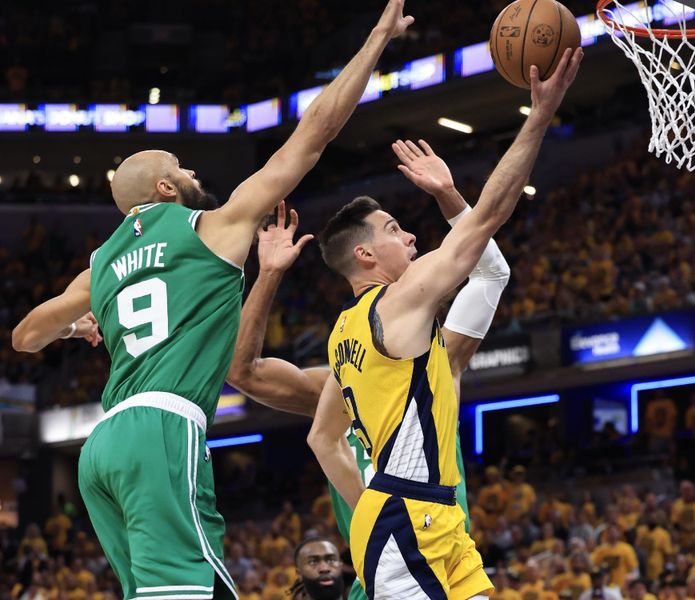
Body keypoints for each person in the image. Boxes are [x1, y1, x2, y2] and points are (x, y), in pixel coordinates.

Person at [10, 2, 414, 598]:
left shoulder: (99, 265)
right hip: (162, 428)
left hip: (100, 449)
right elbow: (314, 133)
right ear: (167, 189)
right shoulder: (210, 228)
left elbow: (24, 336)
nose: (192, 169)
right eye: (181, 166)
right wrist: (377, 39)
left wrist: (76, 329)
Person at [308, 49, 582, 600]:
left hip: (428, 517)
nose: (410, 237)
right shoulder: (397, 301)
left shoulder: (345, 335)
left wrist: (367, 502)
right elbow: (489, 218)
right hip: (408, 519)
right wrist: (539, 116)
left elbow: (322, 436)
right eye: (394, 228)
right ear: (365, 254)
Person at [226, 136, 514, 600]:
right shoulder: (343, 369)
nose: (412, 240)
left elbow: (491, 272)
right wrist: (270, 275)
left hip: (441, 537)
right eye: (396, 230)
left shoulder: (445, 354)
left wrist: (448, 194)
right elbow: (245, 372)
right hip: (386, 544)